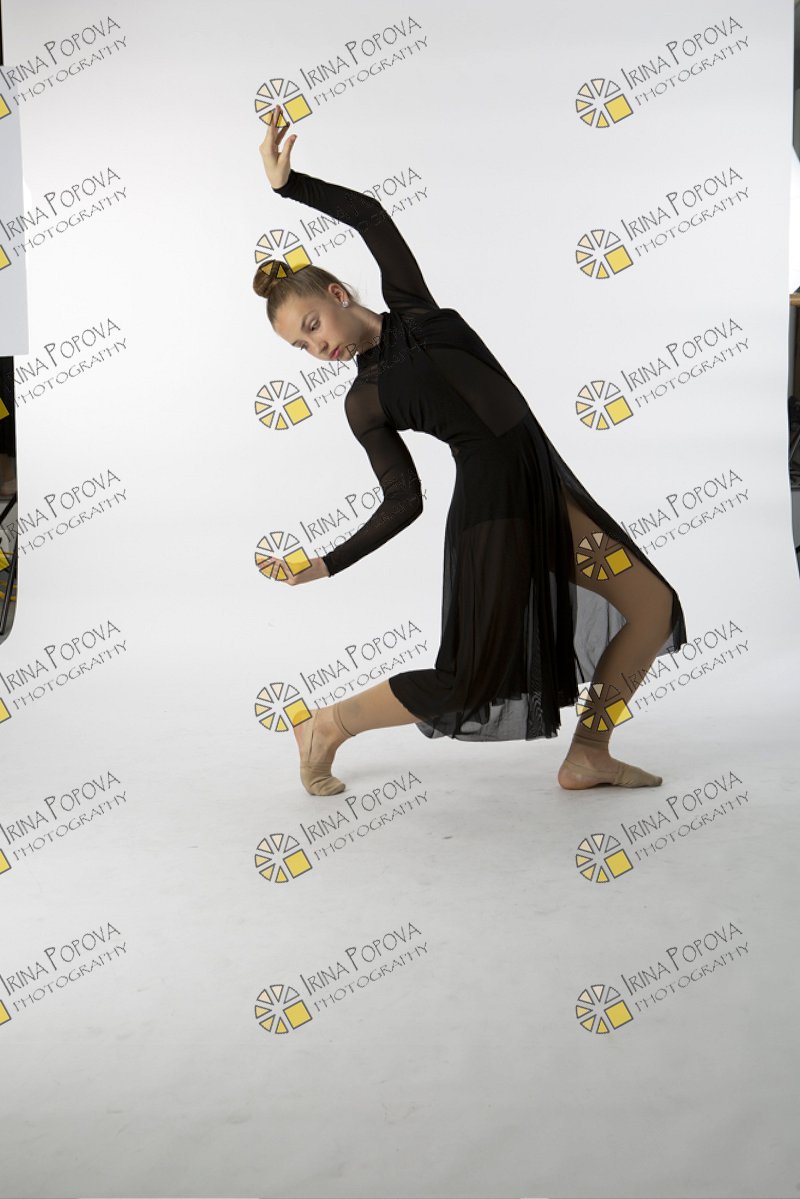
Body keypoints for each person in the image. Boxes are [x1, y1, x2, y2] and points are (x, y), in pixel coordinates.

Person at [255, 107, 688, 798]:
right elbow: (404, 500)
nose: (317, 346)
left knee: (653, 605)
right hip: (494, 513)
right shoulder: (365, 401)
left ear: (337, 293)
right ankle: (326, 725)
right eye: (301, 346)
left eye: (313, 325)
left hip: (542, 487)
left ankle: (589, 753)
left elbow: (369, 216)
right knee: (467, 682)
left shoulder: (414, 308)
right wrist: (328, 562)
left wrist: (291, 186)